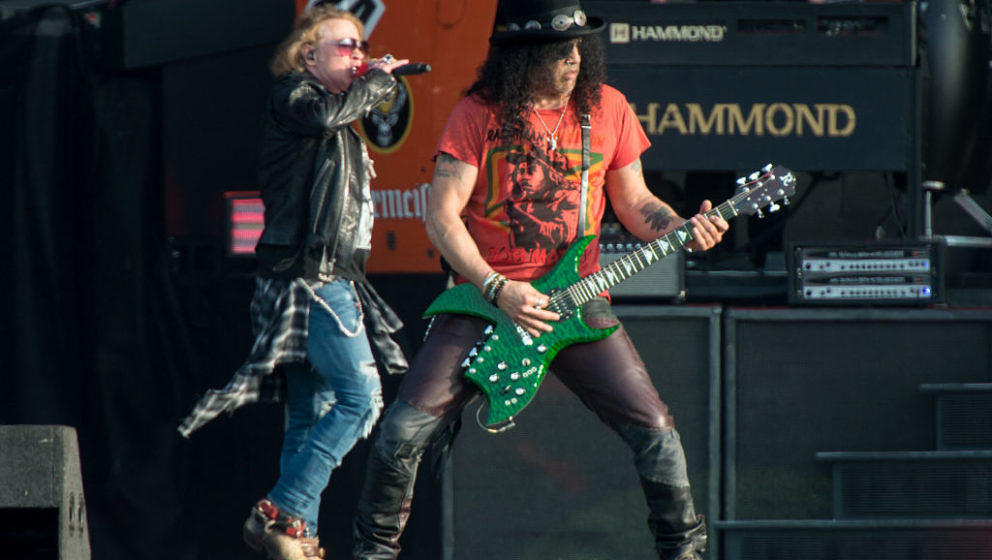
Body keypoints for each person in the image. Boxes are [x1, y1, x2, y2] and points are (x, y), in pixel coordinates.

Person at [351, 1, 729, 559]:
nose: (572, 61)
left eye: (577, 49)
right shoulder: (477, 112)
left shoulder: (607, 108)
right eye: (557, 52)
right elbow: (442, 217)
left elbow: (635, 201)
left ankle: (685, 554)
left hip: (577, 302)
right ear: (521, 56)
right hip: (486, 302)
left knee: (657, 432)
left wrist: (682, 229)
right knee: (401, 431)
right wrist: (498, 288)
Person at [177, 6, 410, 560]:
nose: (357, 54)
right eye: (345, 45)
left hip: (310, 277)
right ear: (309, 56)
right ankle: (283, 508)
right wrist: (377, 81)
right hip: (312, 278)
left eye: (361, 45)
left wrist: (372, 85)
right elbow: (327, 116)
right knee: (362, 400)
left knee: (313, 411)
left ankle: (294, 534)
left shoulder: (332, 116)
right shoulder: (295, 95)